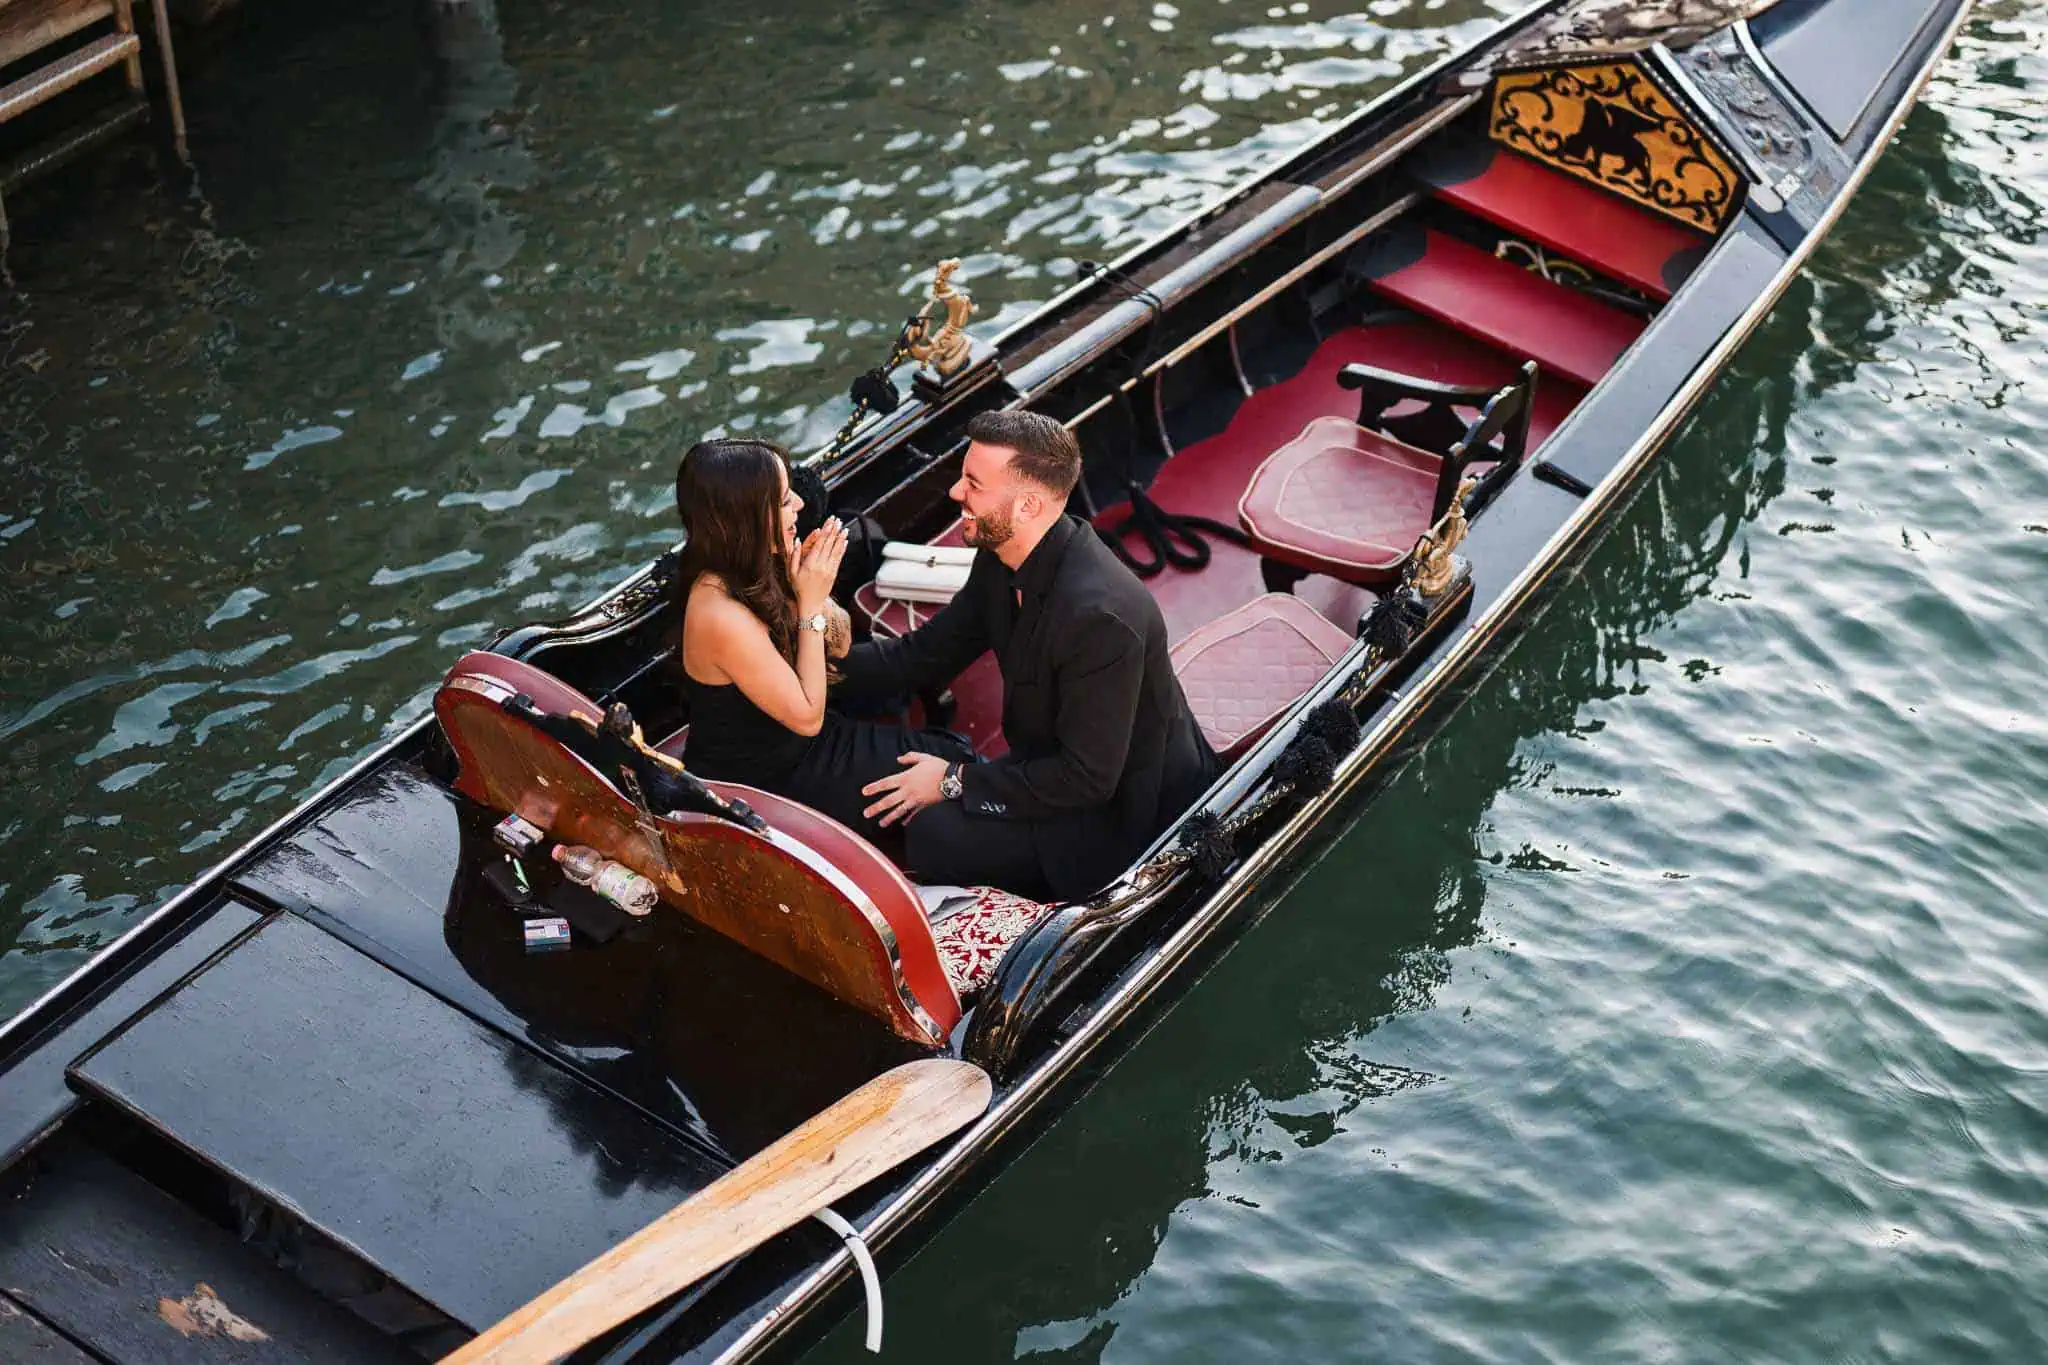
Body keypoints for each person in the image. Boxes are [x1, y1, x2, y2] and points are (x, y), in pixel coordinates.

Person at [849, 410, 1220, 901]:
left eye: (973, 484)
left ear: (1026, 506)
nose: (956, 492)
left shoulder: (1101, 618)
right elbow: (924, 654)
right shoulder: (1000, 558)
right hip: (1049, 763)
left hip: (1121, 814)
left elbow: (1087, 780)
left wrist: (955, 781)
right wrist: (822, 654)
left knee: (930, 835)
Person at [673, 439, 969, 841]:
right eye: (783, 500)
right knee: (945, 795)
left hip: (809, 741)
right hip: (766, 780)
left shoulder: (762, 560)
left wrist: (811, 588)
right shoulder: (718, 611)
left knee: (953, 756)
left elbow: (841, 642)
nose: (798, 504)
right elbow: (807, 718)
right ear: (745, 517)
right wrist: (809, 604)